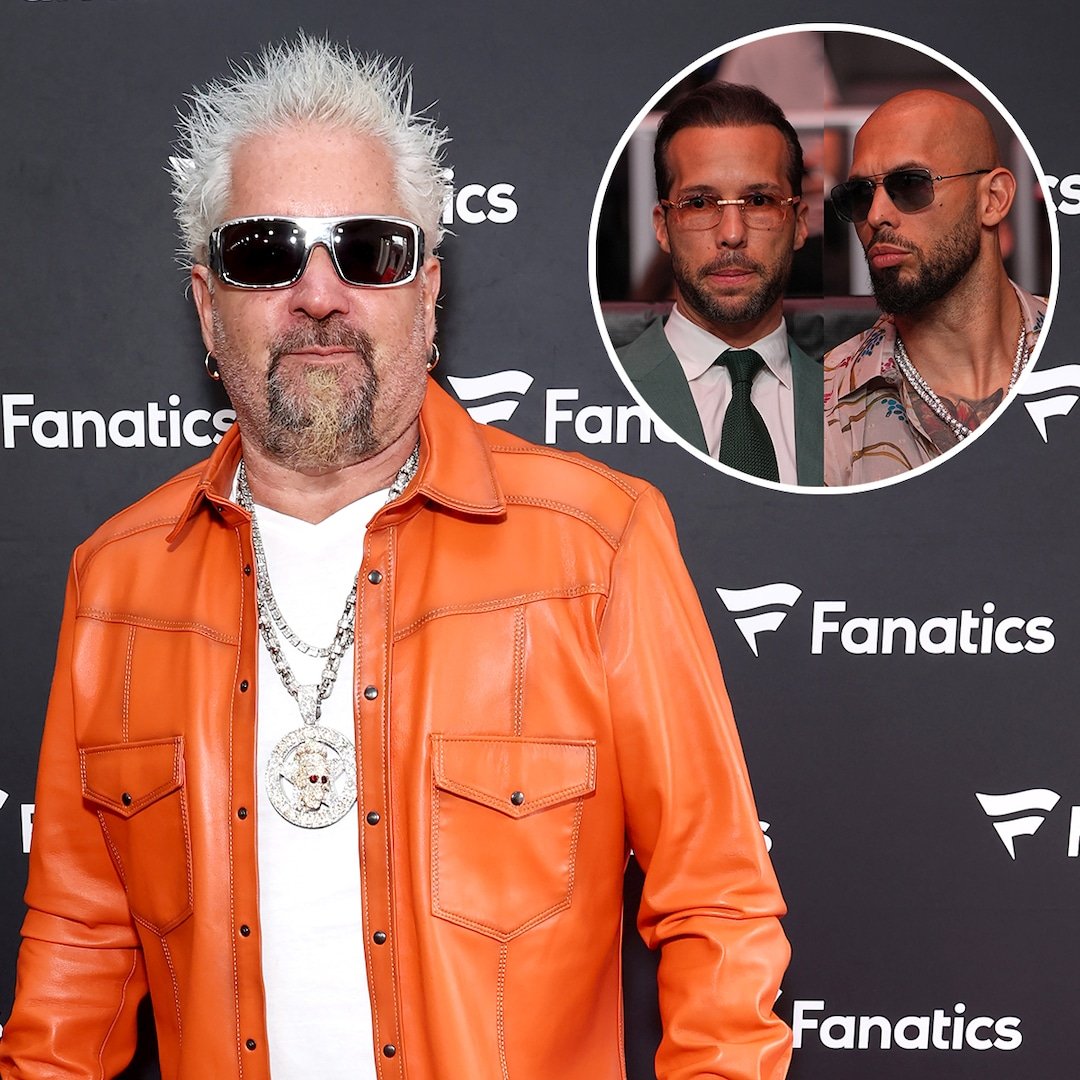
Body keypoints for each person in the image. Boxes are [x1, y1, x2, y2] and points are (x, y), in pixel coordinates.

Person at [0, 36, 790, 1080]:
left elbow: (718, 910)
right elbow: (79, 953)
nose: (319, 294)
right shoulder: (117, 580)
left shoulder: (597, 543)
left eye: (369, 250)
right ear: (206, 305)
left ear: (427, 291)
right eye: (265, 253)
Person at [824, 89, 1047, 485]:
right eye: (859, 195)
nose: (875, 215)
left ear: (993, 199)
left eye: (910, 184)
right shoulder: (818, 409)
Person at [615, 82, 824, 486]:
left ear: (800, 224)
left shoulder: (859, 408)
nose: (731, 234)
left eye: (759, 201)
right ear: (662, 227)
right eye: (699, 203)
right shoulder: (595, 393)